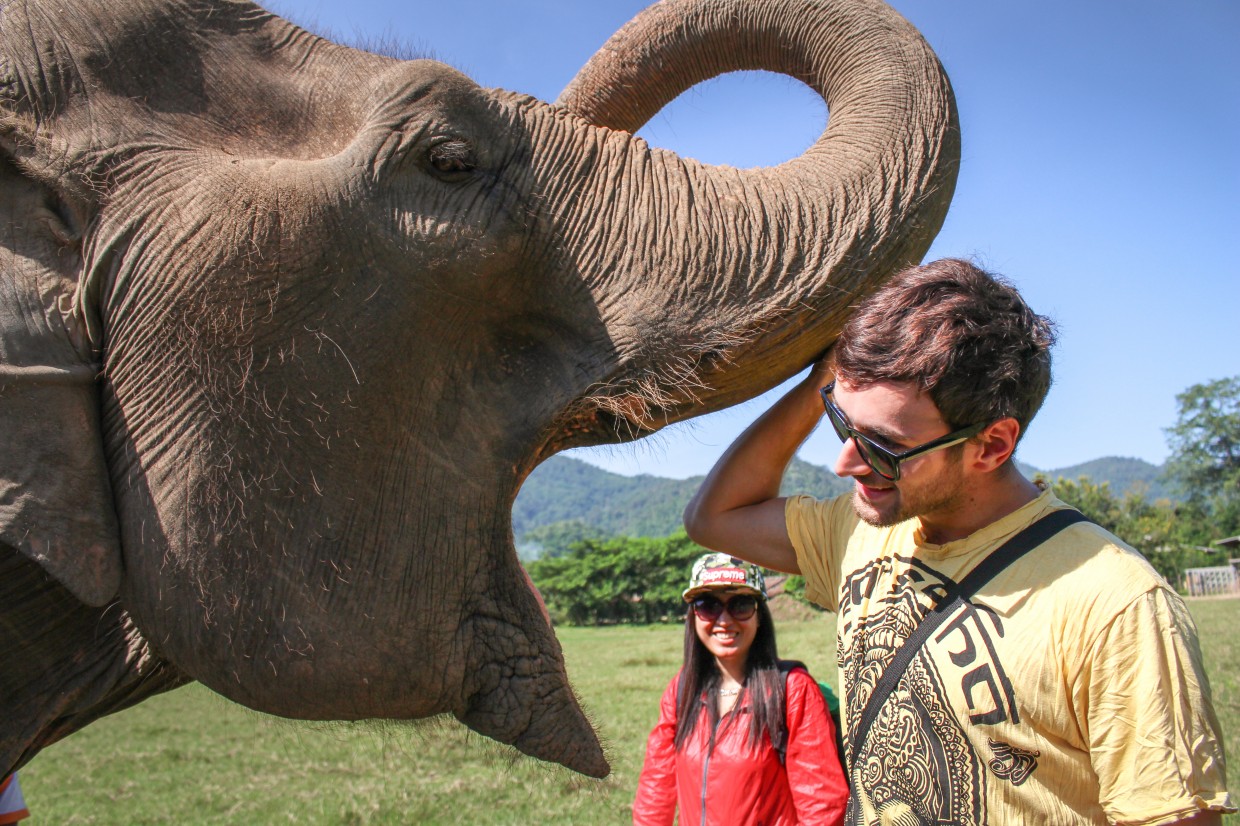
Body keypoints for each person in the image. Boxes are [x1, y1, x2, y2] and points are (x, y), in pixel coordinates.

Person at [683, 259, 1234, 825]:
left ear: (992, 446)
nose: (844, 462)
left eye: (883, 444)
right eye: (841, 423)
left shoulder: (1117, 604)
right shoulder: (864, 528)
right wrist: (825, 380)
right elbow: (715, 518)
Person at [633, 553, 848, 826]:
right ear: (693, 616)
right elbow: (656, 786)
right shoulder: (682, 688)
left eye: (741, 605)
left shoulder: (793, 690)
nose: (724, 620)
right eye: (708, 605)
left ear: (759, 616)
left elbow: (821, 806)